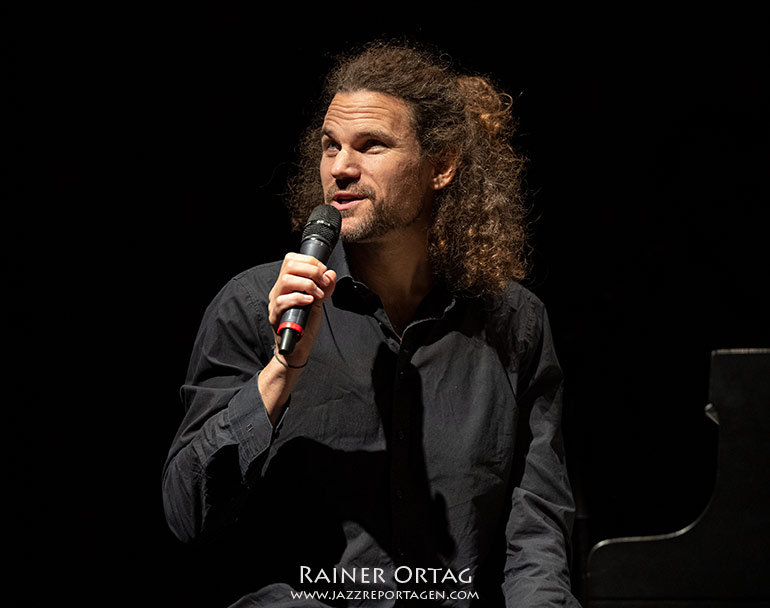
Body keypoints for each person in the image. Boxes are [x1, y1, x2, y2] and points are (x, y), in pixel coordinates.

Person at [163, 40, 580, 607]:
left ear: (441, 166)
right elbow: (188, 510)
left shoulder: (514, 322)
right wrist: (282, 371)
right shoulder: (251, 305)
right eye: (330, 146)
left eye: (371, 146)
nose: (340, 168)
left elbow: (536, 528)